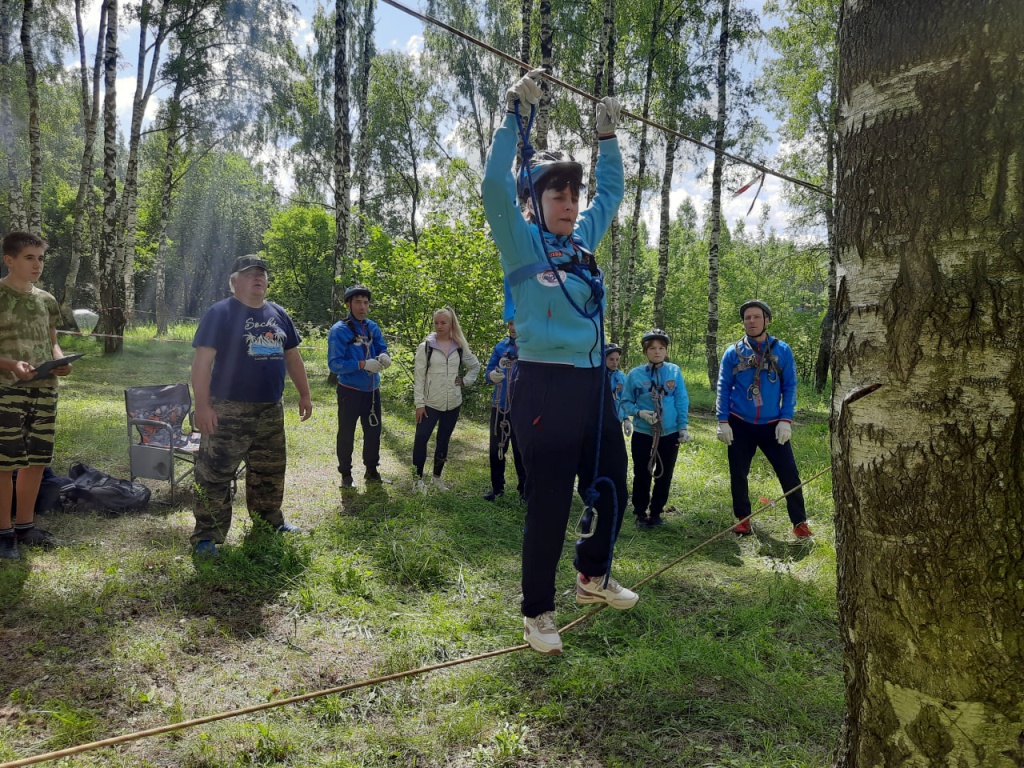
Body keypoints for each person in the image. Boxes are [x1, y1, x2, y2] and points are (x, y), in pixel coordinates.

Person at [481, 68, 638, 655]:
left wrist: (607, 139)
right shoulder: (520, 240)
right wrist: (515, 113)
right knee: (549, 499)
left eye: (574, 195)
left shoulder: (585, 243)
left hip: (593, 382)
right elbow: (495, 185)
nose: (571, 203)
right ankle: (536, 612)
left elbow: (613, 194)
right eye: (558, 193)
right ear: (536, 200)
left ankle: (592, 577)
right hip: (542, 384)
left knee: (608, 483)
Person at [190, 254, 313, 556]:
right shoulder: (220, 312)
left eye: (261, 273)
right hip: (228, 408)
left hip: (270, 409)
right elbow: (202, 364)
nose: (257, 278)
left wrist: (305, 394)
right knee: (214, 474)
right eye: (248, 274)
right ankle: (208, 536)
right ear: (234, 282)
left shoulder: (279, 314)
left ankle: (269, 522)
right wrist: (203, 407)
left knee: (269, 472)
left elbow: (293, 358)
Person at [0, 232, 72, 560]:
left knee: (36, 462)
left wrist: (59, 361)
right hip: (6, 391)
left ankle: (25, 527)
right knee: (5, 463)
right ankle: (3, 534)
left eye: (41, 258)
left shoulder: (46, 299)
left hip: (44, 390)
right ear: (9, 260)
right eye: (29, 258)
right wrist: (11, 364)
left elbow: (51, 337)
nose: (37, 264)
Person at [716, 299, 811, 538]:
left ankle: (799, 523)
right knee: (738, 473)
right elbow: (723, 387)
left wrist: (786, 420)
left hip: (772, 424)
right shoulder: (733, 352)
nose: (752, 321)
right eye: (747, 317)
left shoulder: (782, 350)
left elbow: (790, 386)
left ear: (767, 320)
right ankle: (743, 519)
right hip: (740, 423)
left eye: (757, 316)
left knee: (789, 473)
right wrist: (723, 421)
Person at [621, 329, 689, 529]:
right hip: (643, 432)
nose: (657, 352)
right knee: (642, 472)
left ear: (666, 350)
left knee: (665, 472)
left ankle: (657, 511)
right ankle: (640, 512)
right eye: (652, 348)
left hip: (669, 433)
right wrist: (639, 413)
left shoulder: (674, 371)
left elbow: (681, 399)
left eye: (661, 348)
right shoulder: (635, 374)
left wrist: (682, 427)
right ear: (645, 351)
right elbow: (625, 401)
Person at [328, 284, 391, 489]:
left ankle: (371, 470)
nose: (362, 306)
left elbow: (381, 346)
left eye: (365, 302)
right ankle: (345, 473)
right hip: (350, 391)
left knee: (373, 431)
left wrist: (384, 356)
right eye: (357, 302)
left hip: (372, 390)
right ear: (348, 304)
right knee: (346, 433)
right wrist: (362, 364)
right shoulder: (339, 331)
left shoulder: (373, 327)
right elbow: (334, 364)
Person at [412, 307, 480, 493]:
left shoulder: (459, 346)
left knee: (444, 440)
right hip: (430, 403)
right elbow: (419, 377)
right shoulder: (426, 347)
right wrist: (419, 404)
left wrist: (465, 381)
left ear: (451, 324)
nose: (439, 326)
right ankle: (417, 480)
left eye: (444, 322)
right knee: (421, 439)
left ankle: (436, 478)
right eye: (436, 322)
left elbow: (475, 366)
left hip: (453, 404)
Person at [483, 320, 525, 502]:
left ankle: (525, 491)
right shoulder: (501, 347)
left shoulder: (531, 348)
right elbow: (488, 372)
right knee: (496, 449)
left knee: (521, 451)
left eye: (517, 323)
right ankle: (497, 488)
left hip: (523, 407)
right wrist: (491, 375)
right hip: (500, 406)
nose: (514, 327)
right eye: (510, 323)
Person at [604, 342, 630, 434]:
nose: (615, 363)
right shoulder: (597, 377)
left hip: (617, 419)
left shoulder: (622, 377)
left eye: (617, 359)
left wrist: (626, 419)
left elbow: (625, 399)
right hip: (600, 420)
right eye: (611, 359)